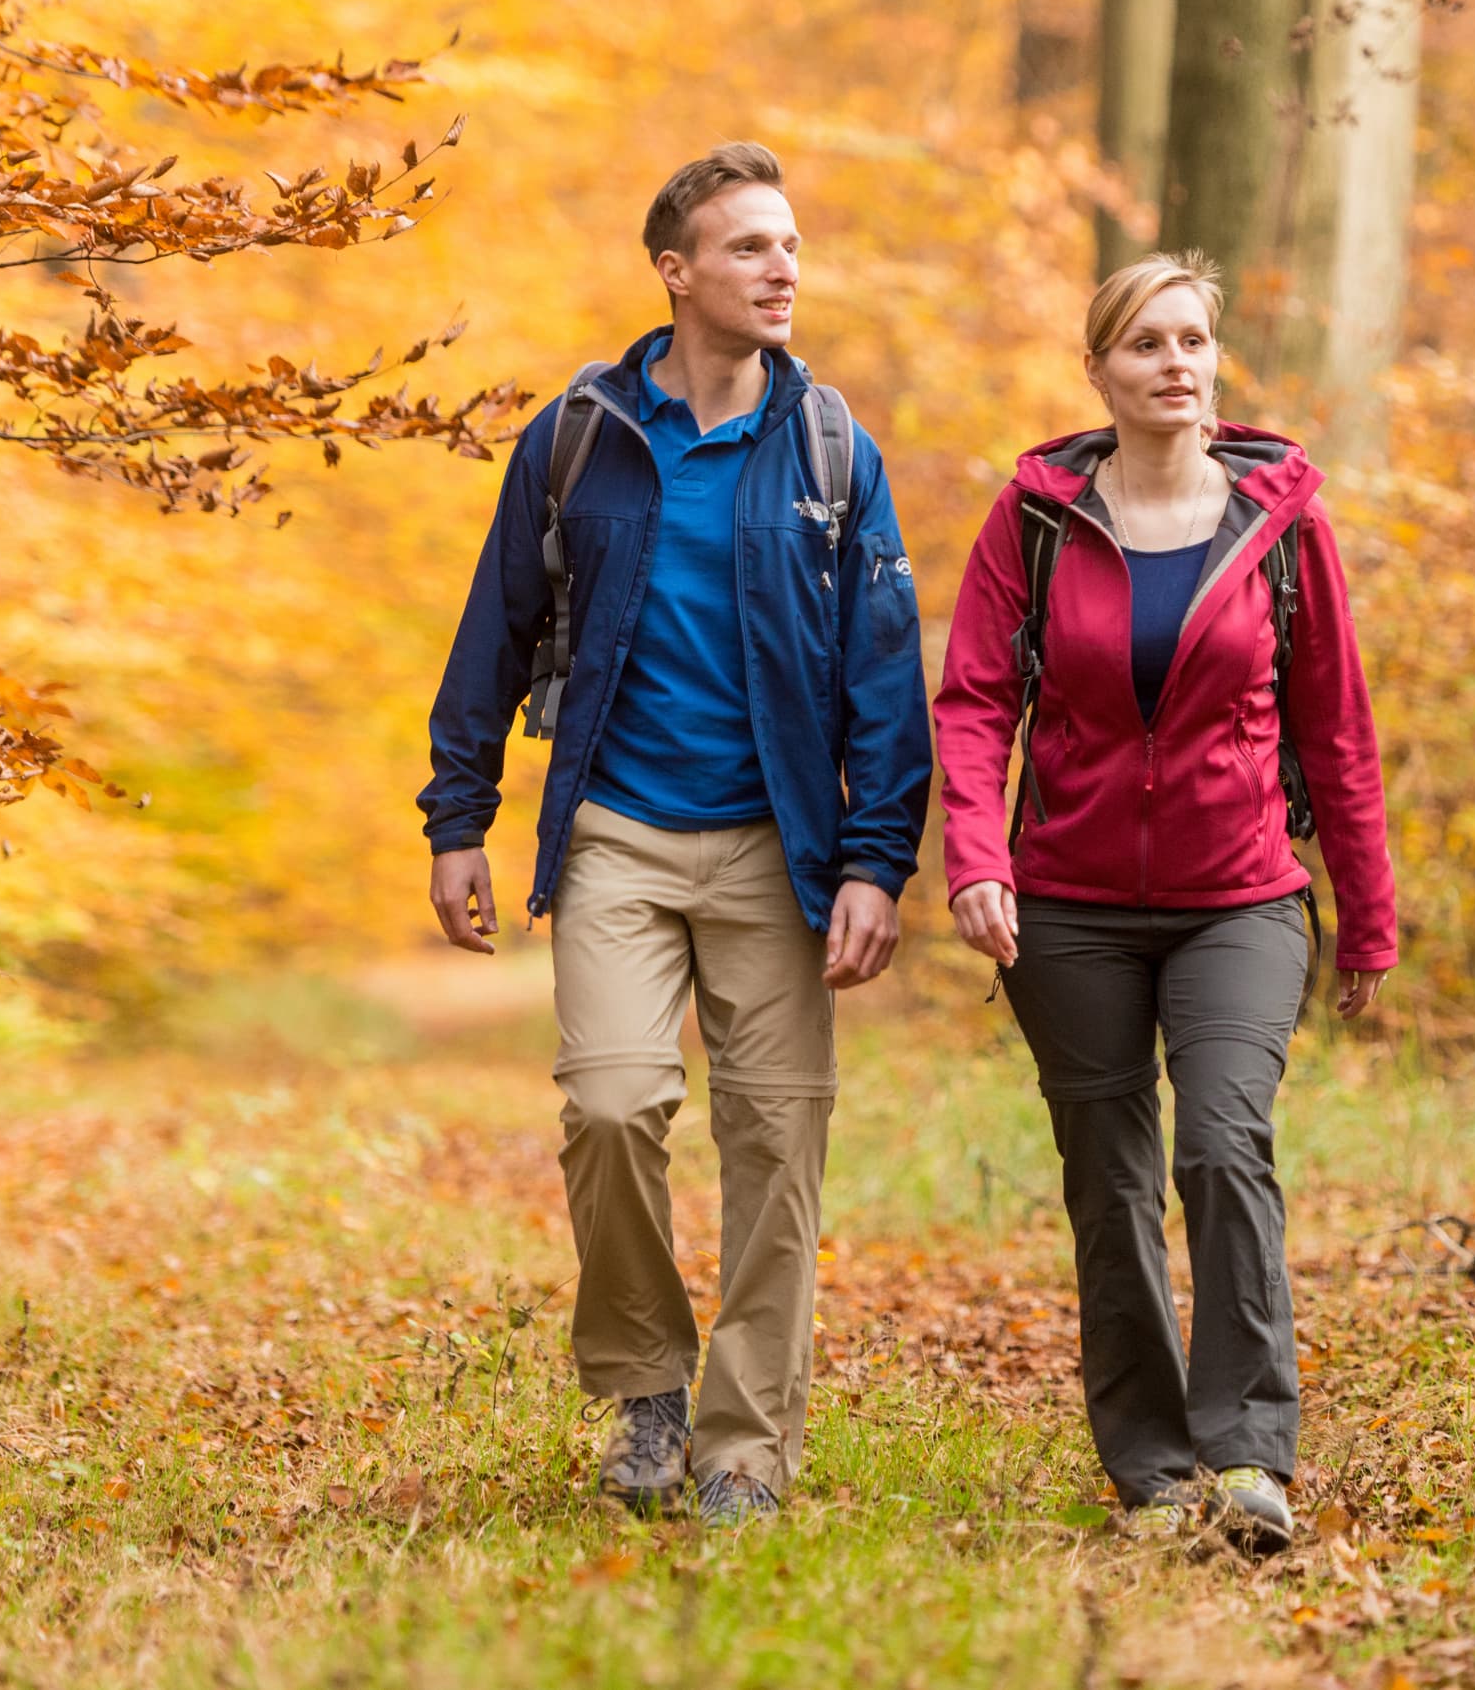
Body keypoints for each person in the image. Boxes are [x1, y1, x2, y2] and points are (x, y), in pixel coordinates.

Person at [419, 142, 931, 1526]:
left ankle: (743, 1449)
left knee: (777, 1143)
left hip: (779, 847)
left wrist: (879, 858)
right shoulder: (581, 439)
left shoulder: (831, 449)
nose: (783, 269)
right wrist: (457, 815)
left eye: (791, 246)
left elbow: (885, 674)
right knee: (610, 1103)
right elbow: (493, 635)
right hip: (617, 840)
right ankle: (647, 1379)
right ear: (676, 269)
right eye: (751, 246)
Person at [931, 252, 1396, 1555]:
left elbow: (1338, 730)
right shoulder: (1032, 519)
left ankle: (1249, 1453)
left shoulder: (1282, 524)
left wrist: (1367, 917)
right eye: (1147, 343)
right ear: (1102, 370)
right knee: (1111, 1175)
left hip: (1239, 896)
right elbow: (974, 701)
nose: (1177, 362)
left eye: (1194, 339)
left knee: (1220, 1142)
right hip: (1065, 905)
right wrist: (977, 854)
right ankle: (1150, 1464)